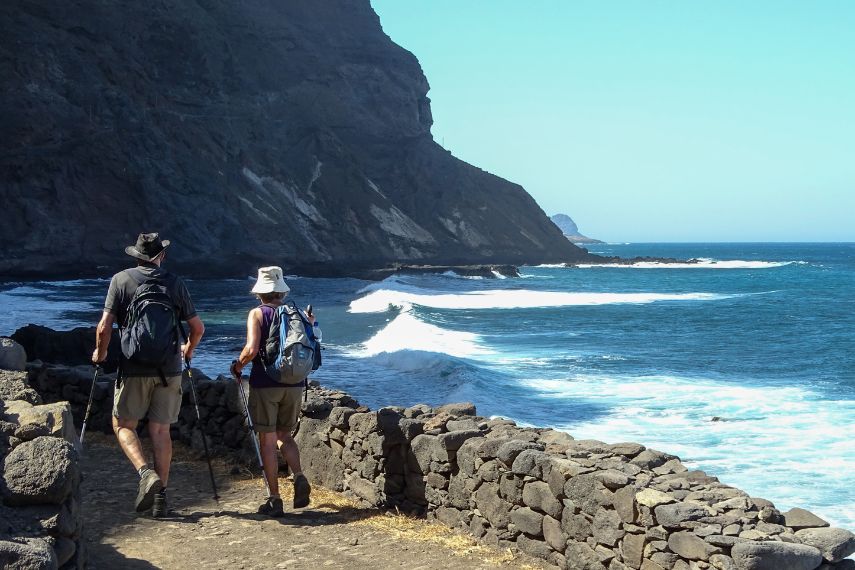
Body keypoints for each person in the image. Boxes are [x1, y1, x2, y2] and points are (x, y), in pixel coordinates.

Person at [92, 233, 205, 517]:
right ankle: (161, 499)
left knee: (123, 425)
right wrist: (187, 351)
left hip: (133, 366)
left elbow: (105, 326)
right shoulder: (175, 283)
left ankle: (145, 473)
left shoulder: (121, 280)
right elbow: (198, 328)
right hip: (169, 368)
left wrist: (101, 354)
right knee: (161, 430)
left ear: (136, 256)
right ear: (161, 256)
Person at [230, 266, 312, 517]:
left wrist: (238, 366)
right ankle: (298, 475)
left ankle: (274, 498)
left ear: (260, 292)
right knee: (285, 436)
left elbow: (251, 349)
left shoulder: (257, 313)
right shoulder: (297, 312)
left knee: (267, 441)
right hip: (295, 383)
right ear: (281, 290)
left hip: (266, 383)